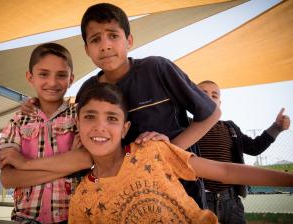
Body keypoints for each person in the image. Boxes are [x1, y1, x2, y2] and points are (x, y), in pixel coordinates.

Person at [22, 2, 221, 209]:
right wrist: (36, 104)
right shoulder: (87, 91)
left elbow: (211, 113)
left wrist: (171, 150)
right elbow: (68, 124)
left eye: (113, 36)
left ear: (129, 40)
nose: (105, 45)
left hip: (179, 193)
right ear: (87, 50)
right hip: (122, 199)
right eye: (95, 39)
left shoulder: (157, 68)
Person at [51, 82, 291, 224]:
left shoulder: (152, 150)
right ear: (78, 125)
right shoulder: (82, 199)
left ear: (125, 128)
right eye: (90, 117)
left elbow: (225, 170)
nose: (100, 127)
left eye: (112, 118)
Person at [0, 43, 93, 224]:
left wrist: (24, 164)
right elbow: (8, 178)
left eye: (61, 75)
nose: (52, 82)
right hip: (27, 221)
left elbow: (85, 160)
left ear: (71, 79)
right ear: (29, 77)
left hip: (73, 217)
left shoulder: (79, 115)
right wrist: (68, 164)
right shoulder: (17, 121)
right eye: (43, 74)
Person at [196, 80, 291, 224]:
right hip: (199, 202)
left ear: (219, 103)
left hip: (231, 200)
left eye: (214, 95)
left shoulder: (230, 128)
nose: (209, 98)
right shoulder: (184, 126)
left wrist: (276, 128)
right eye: (202, 93)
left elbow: (254, 147)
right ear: (191, 98)